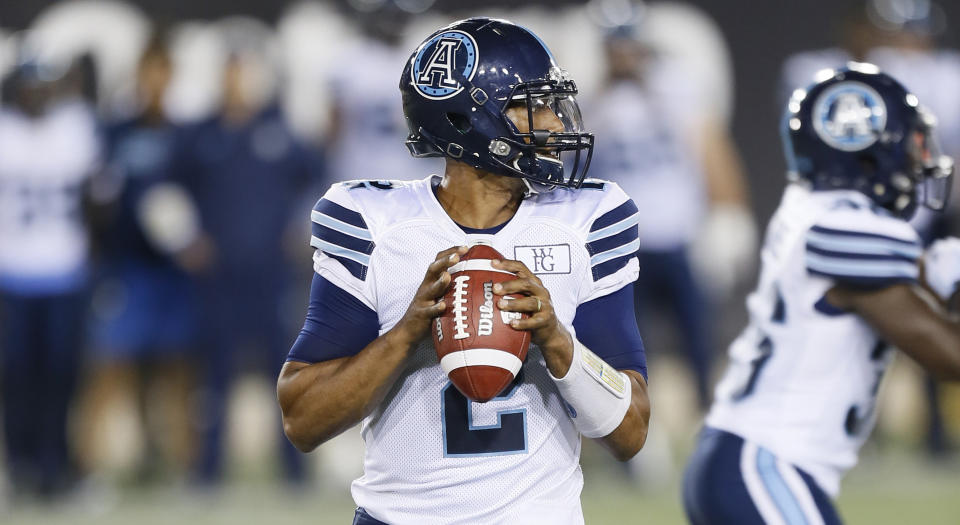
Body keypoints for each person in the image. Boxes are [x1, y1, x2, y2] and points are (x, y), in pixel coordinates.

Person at [277, 18, 651, 524]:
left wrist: (557, 342)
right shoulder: (375, 224)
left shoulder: (585, 220)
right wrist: (404, 335)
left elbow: (631, 432)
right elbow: (302, 420)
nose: (557, 124)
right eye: (534, 106)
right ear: (471, 120)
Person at [682, 63, 960, 524]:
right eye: (911, 143)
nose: (920, 159)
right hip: (763, 463)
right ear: (866, 148)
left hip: (752, 461)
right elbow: (950, 357)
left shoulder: (820, 212)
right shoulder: (847, 227)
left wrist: (936, 270)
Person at [173, 18, 319, 485]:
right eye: (232, 72)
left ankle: (294, 469)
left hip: (271, 272)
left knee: (287, 371)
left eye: (246, 72)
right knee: (213, 375)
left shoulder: (279, 129)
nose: (239, 82)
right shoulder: (200, 135)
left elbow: (319, 178)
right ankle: (208, 471)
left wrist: (303, 226)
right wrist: (182, 237)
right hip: (217, 274)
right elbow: (162, 189)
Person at [588, 21, 754, 409]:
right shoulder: (595, 100)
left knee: (698, 337)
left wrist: (729, 209)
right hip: (626, 237)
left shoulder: (676, 85)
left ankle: (706, 415)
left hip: (679, 231)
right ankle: (636, 421)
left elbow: (710, 147)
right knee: (629, 342)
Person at [79, 32, 197, 483]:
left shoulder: (186, 135)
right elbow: (95, 199)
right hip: (127, 269)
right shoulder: (114, 131)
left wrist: (188, 235)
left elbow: (196, 199)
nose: (155, 80)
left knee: (176, 370)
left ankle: (184, 472)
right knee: (110, 367)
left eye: (163, 71)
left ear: (171, 76)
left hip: (172, 272)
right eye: (149, 71)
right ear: (139, 75)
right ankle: (87, 471)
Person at [0, 53, 100, 500]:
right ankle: (21, 467)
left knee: (62, 376)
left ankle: (56, 467)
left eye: (43, 85)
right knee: (17, 376)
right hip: (12, 272)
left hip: (65, 269)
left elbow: (95, 202)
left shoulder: (74, 127)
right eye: (29, 85)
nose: (35, 94)